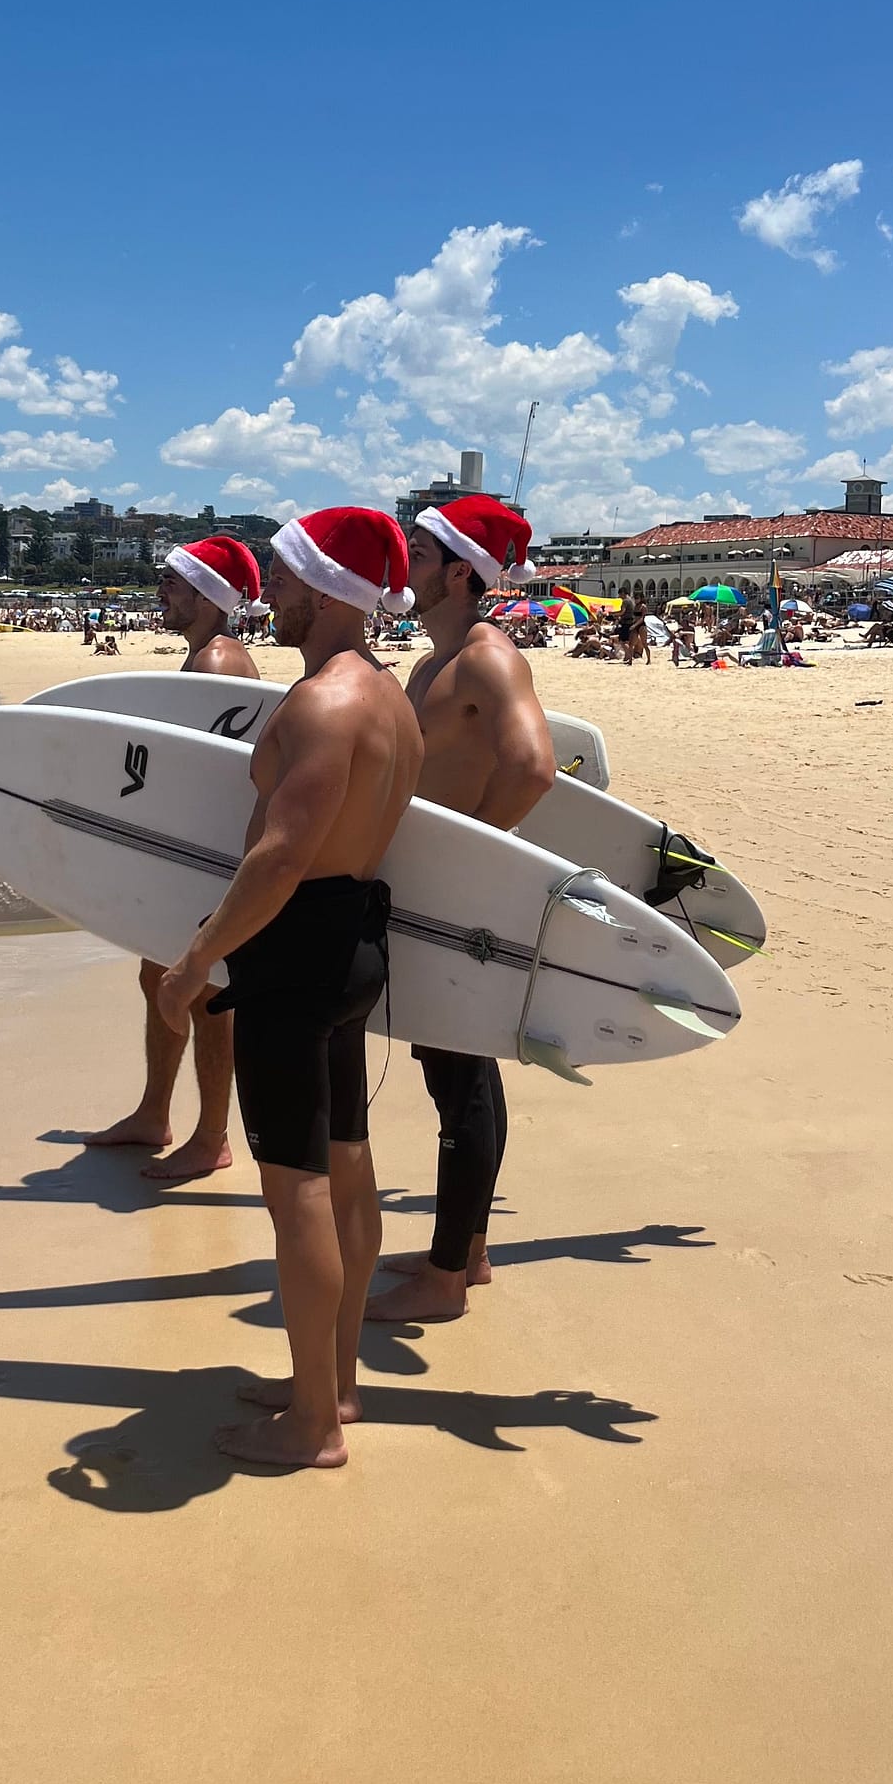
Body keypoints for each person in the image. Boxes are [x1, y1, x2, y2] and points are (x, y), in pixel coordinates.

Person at [157, 508, 421, 1470]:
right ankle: (335, 1384)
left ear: (325, 590)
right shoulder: (387, 699)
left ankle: (313, 1430)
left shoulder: (322, 705)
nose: (269, 591)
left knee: (296, 1191)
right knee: (346, 1165)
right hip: (352, 943)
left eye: (285, 575)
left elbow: (277, 859)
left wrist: (193, 966)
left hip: (297, 954)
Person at [365, 497, 556, 1326]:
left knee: (461, 1072)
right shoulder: (431, 665)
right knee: (452, 1072)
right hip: (427, 895)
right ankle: (465, 1250)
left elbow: (535, 767)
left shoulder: (487, 657)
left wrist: (471, 855)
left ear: (457, 570)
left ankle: (446, 1277)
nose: (404, 555)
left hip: (460, 898)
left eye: (419, 545)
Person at [88, 535, 263, 1182]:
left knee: (208, 994)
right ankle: (154, 1112)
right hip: (185, 859)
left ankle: (212, 1135)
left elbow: (211, 780)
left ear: (207, 595)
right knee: (157, 979)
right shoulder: (204, 660)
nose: (161, 592)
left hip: (206, 862)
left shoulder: (217, 665)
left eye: (173, 583)